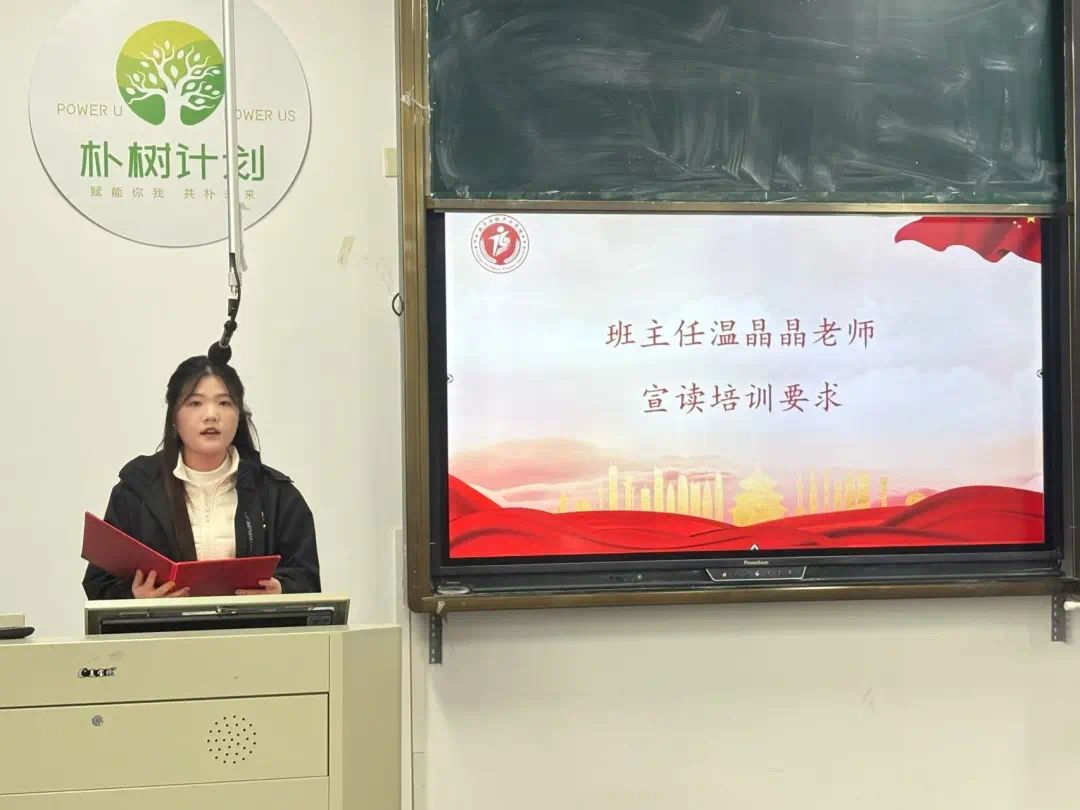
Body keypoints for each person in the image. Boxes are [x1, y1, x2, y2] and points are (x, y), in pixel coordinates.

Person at [83, 356, 321, 600]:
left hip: (250, 625)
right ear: (174, 417)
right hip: (164, 625)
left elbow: (307, 578)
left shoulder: (275, 494)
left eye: (224, 403)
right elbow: (99, 584)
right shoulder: (137, 491)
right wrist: (135, 597)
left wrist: (281, 589)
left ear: (239, 415)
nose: (211, 415)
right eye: (195, 403)